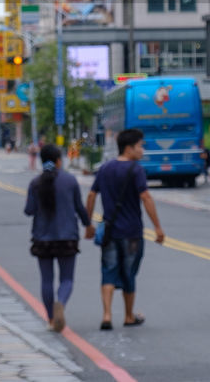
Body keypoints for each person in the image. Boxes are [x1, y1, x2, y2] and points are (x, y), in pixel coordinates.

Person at [84, 128, 165, 330]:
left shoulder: (104, 168)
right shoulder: (136, 170)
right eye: (140, 146)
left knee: (108, 271)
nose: (142, 150)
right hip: (131, 233)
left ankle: (107, 315)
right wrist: (157, 227)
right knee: (129, 274)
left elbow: (92, 195)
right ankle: (128, 316)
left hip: (109, 232)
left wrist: (88, 224)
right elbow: (145, 197)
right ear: (129, 148)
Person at [24, 144, 91, 332]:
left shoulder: (35, 183)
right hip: (67, 236)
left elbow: (29, 211)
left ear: (41, 160)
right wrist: (88, 225)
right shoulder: (70, 181)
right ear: (59, 161)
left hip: (42, 239)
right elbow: (79, 207)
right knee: (67, 279)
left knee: (46, 280)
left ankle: (51, 320)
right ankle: (60, 302)